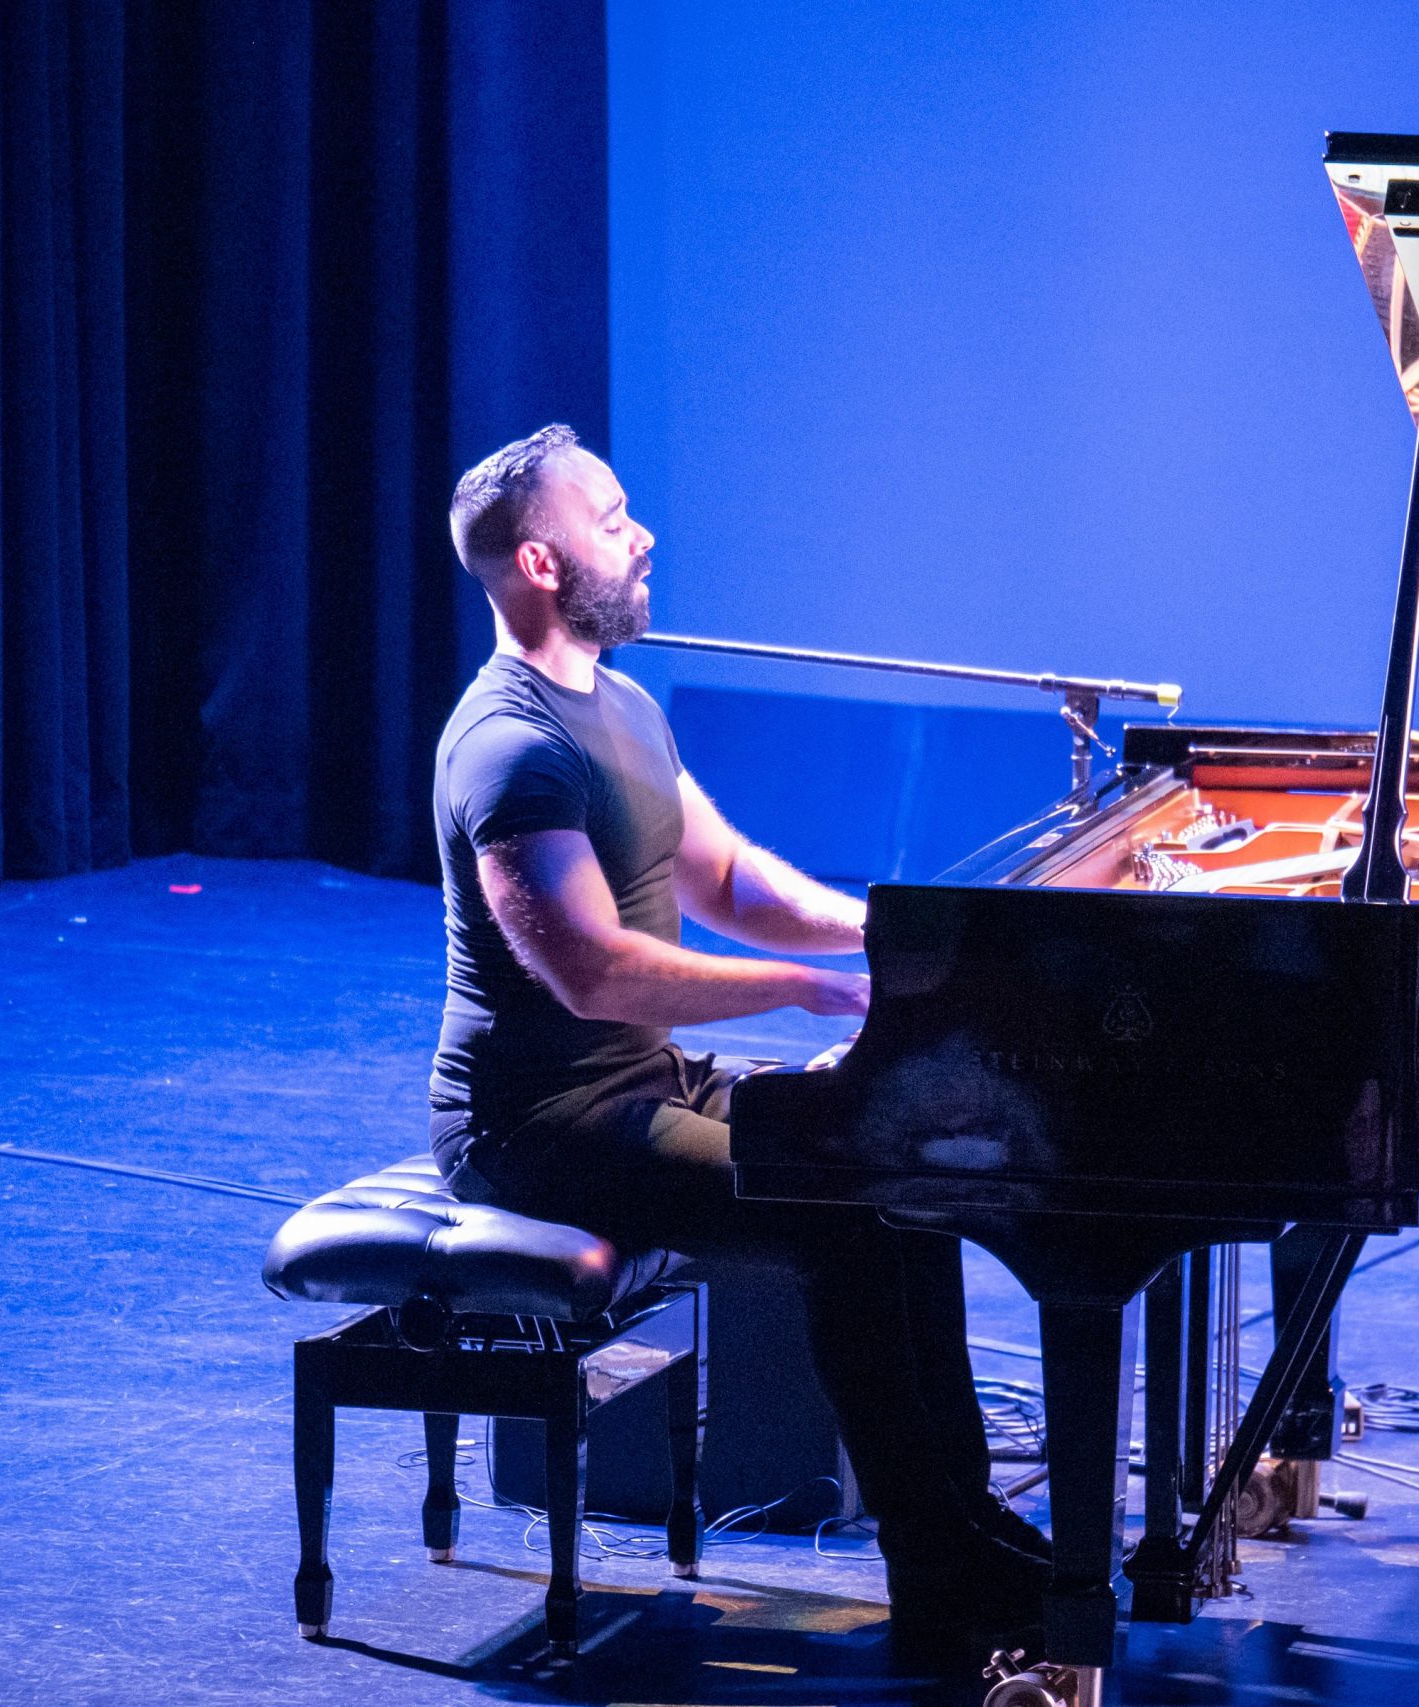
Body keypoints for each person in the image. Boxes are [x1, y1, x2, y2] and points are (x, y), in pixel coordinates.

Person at [428, 424, 1049, 1663]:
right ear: (544, 563)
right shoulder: (510, 746)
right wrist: (809, 994)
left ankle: (964, 1521)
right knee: (845, 1219)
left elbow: (730, 880)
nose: (642, 532)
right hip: (540, 1129)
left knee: (896, 1177)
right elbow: (592, 972)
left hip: (639, 1083)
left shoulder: (623, 706)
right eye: (611, 518)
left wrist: (896, 935)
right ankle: (935, 1564)